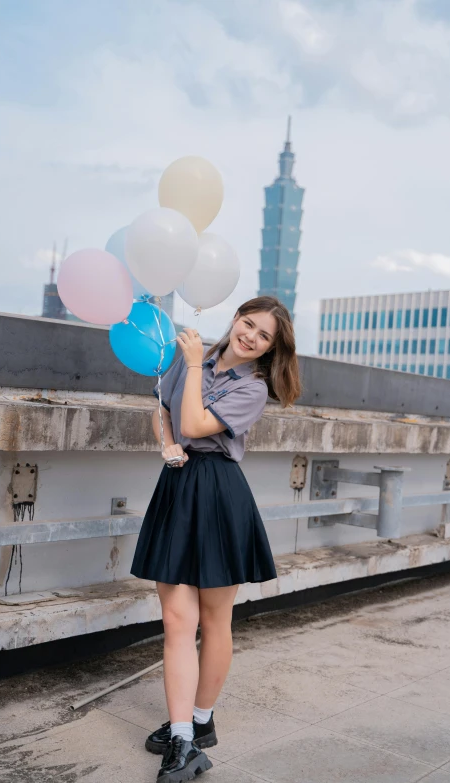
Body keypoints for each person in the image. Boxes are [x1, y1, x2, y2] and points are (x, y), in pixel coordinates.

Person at [130, 295, 301, 783]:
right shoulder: (194, 357)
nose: (250, 336)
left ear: (270, 348)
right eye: (248, 324)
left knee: (214, 617)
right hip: (178, 486)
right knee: (175, 618)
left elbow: (196, 424)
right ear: (236, 319)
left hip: (221, 494)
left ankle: (201, 720)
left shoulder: (253, 388)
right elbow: (163, 409)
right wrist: (163, 443)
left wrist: (189, 366)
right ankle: (183, 734)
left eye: (263, 335)